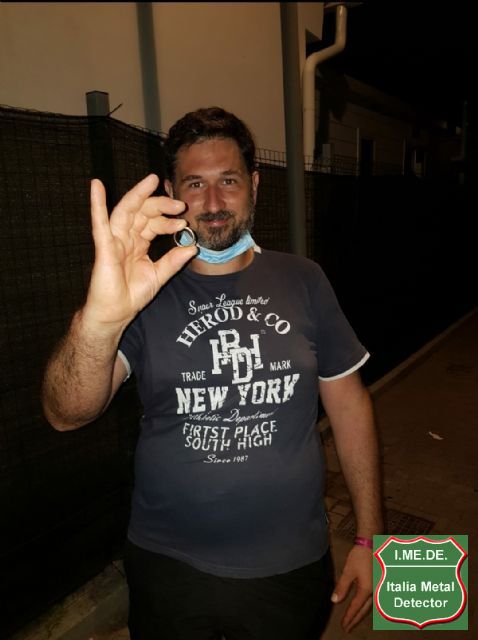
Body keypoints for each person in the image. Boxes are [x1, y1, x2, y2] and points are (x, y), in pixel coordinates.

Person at [42, 106, 383, 640]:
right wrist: (101, 320)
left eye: (228, 180)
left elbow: (350, 405)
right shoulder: (143, 289)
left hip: (289, 563)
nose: (214, 203)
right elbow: (66, 413)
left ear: (254, 185)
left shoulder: (304, 279)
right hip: (168, 564)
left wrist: (369, 539)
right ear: (172, 195)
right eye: (195, 184)